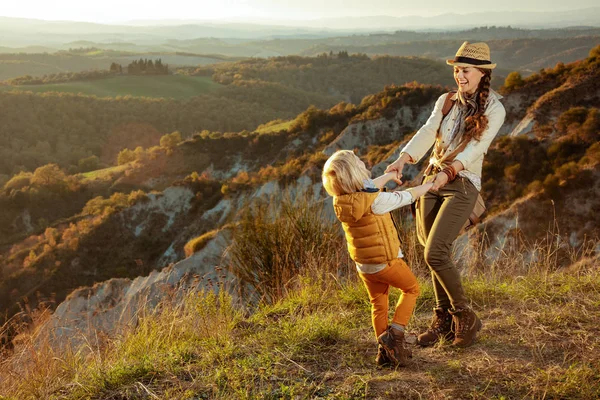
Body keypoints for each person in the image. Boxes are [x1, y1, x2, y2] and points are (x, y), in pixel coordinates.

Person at [385, 41, 506, 348]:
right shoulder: (447, 101)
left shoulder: (495, 108)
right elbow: (427, 131)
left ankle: (465, 316)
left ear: (481, 73)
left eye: (465, 71)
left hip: (462, 183)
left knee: (435, 251)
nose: (459, 76)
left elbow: (479, 147)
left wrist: (449, 173)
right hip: (431, 180)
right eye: (456, 70)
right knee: (432, 251)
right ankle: (444, 321)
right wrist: (403, 160)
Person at [322, 149, 433, 367]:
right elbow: (406, 196)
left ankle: (385, 353)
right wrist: (430, 186)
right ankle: (396, 335)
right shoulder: (376, 201)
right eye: (360, 164)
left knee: (378, 304)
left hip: (364, 266)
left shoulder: (343, 200)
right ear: (355, 173)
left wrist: (390, 176)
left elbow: (369, 187)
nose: (364, 165)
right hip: (385, 261)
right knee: (411, 289)